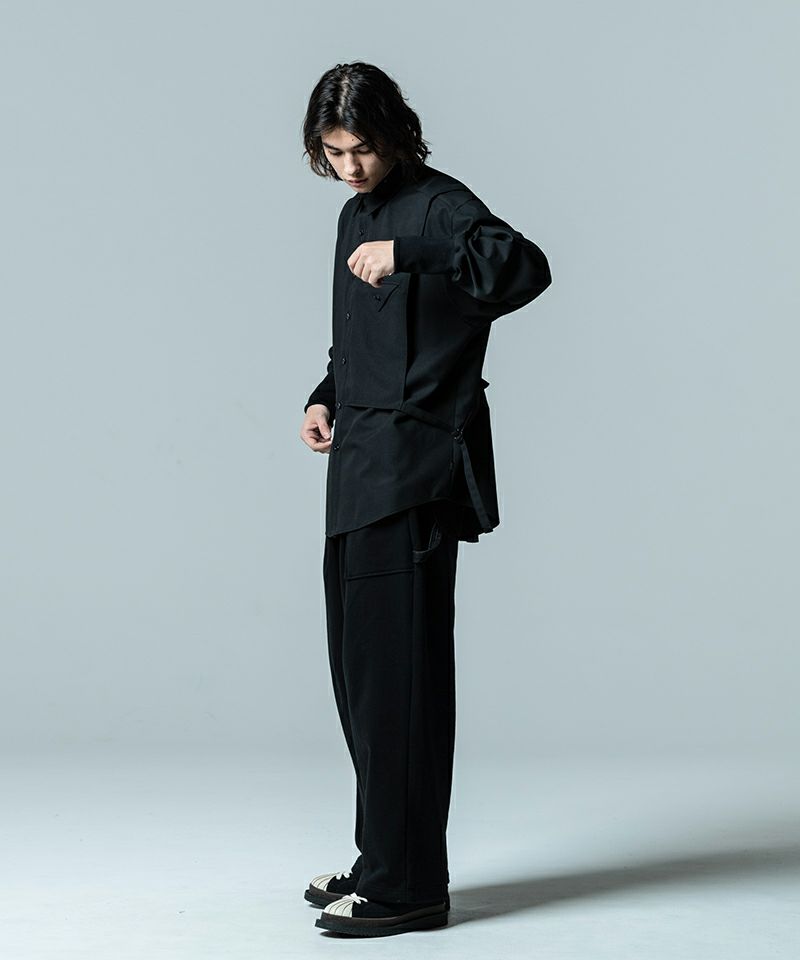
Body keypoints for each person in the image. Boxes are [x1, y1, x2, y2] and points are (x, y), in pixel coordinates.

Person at [298, 61, 552, 937]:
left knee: (401, 684)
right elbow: (357, 337)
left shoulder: (441, 206)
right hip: (357, 468)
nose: (350, 168)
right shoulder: (352, 215)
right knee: (363, 681)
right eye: (334, 153)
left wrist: (416, 252)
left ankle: (409, 888)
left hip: (414, 472)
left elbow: (525, 267)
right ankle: (383, 858)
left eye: (363, 149)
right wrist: (325, 395)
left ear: (396, 135)